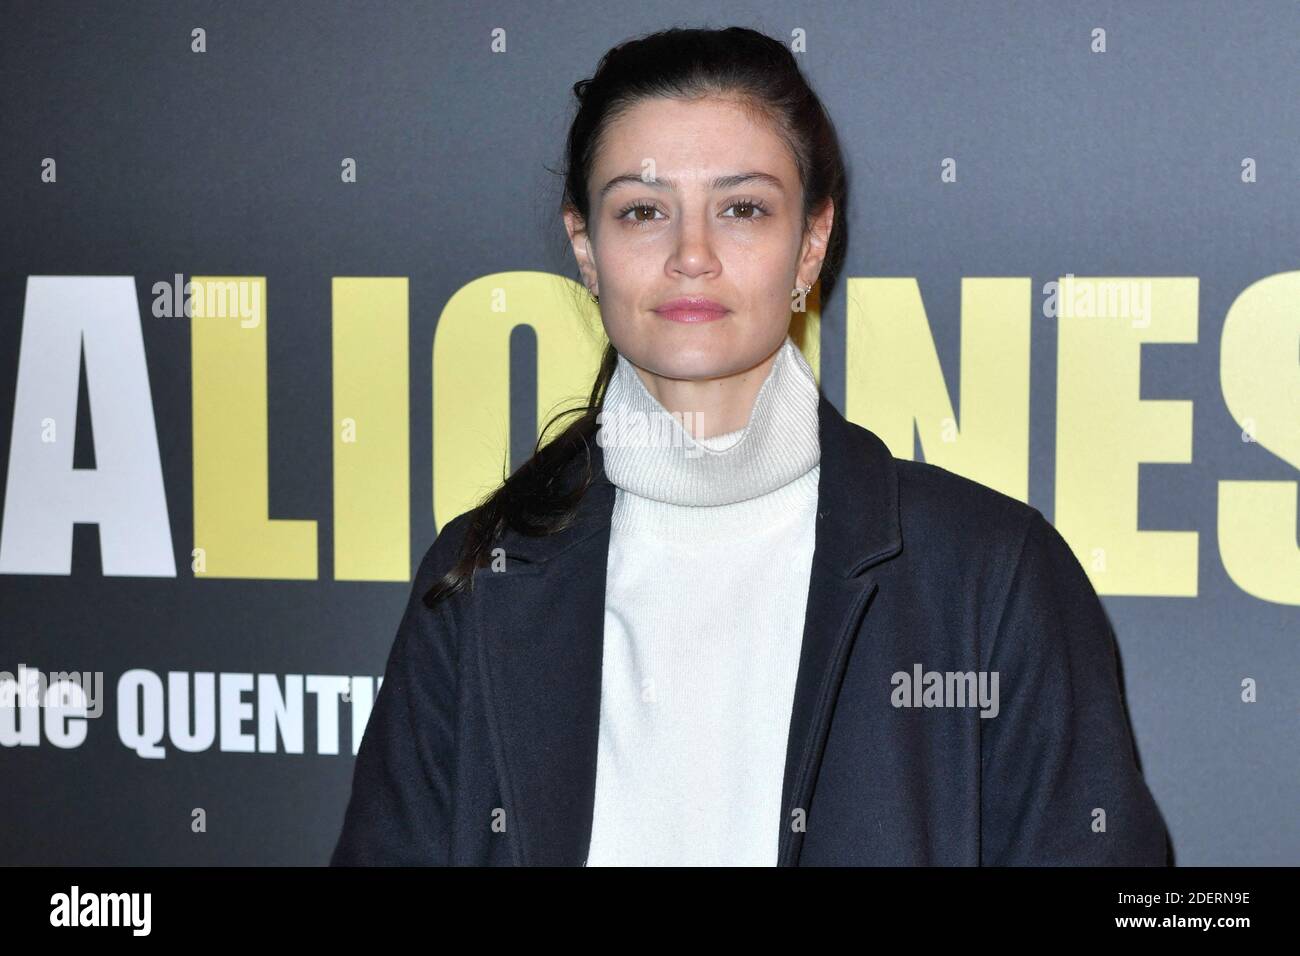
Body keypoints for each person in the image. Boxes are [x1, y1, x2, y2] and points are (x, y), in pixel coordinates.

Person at [330, 25, 1169, 866]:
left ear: (811, 244)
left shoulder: (991, 574)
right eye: (642, 211)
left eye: (742, 209)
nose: (691, 255)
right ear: (587, 249)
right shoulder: (480, 577)